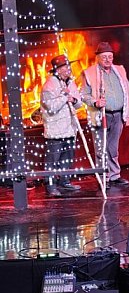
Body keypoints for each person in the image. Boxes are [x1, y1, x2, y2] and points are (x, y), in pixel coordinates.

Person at [80, 41, 129, 187]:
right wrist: (95, 102)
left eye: (110, 56)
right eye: (104, 57)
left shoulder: (119, 70)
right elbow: (83, 95)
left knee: (113, 147)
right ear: (97, 57)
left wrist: (128, 114)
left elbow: (126, 91)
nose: (108, 60)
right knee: (101, 148)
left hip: (118, 115)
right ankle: (103, 177)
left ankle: (115, 175)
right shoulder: (89, 73)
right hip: (101, 116)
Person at [41, 55, 84, 197]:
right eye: (65, 67)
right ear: (57, 70)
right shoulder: (49, 86)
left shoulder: (70, 83)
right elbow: (51, 107)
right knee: (53, 159)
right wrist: (65, 97)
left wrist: (73, 99)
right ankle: (50, 185)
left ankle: (65, 181)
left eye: (68, 66)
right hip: (55, 130)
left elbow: (79, 103)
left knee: (67, 157)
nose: (68, 69)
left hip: (70, 128)